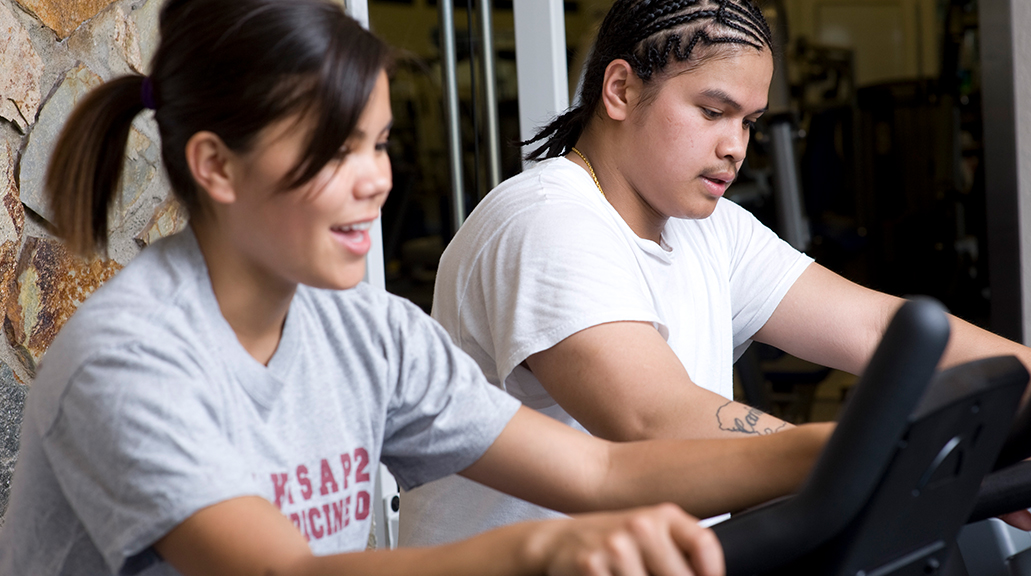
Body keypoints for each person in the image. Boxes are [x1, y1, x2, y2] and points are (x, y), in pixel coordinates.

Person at [0, 0, 838, 574]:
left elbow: (600, 477)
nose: (375, 181)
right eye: (336, 150)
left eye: (380, 144)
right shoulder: (128, 361)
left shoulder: (364, 329)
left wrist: (831, 447)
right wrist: (538, 554)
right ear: (216, 165)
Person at [399, 0, 1031, 547]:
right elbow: (656, 423)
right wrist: (904, 461)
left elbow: (876, 327)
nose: (737, 146)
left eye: (749, 122)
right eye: (712, 111)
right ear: (619, 90)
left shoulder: (708, 225)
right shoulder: (545, 220)